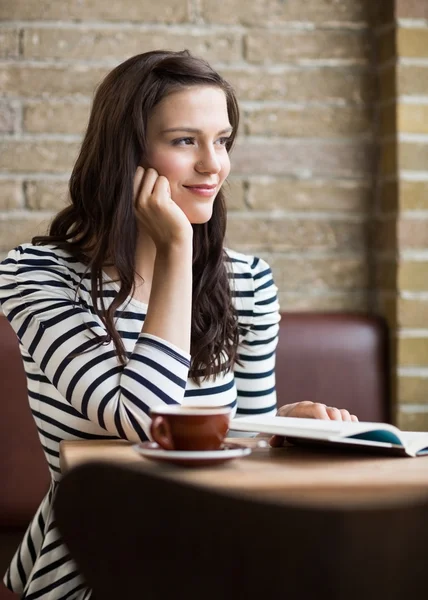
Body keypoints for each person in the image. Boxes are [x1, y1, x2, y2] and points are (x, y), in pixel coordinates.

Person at [0, 50, 357, 599]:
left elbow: (239, 461)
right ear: (127, 155)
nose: (213, 165)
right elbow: (144, 420)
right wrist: (174, 250)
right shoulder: (38, 277)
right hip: (99, 563)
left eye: (223, 140)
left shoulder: (248, 282)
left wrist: (280, 429)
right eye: (185, 141)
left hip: (220, 544)